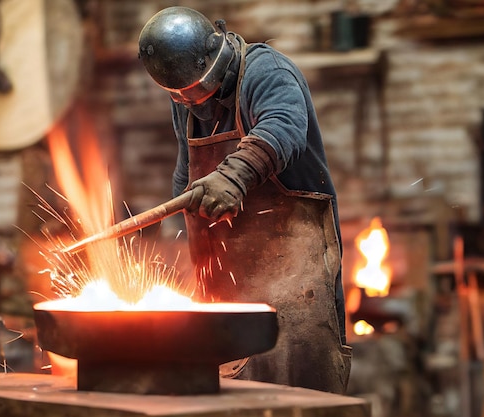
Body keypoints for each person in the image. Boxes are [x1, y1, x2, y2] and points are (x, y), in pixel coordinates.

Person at [138, 6, 351, 394]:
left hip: (294, 276)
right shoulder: (186, 98)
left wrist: (234, 177)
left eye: (195, 88)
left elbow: (283, 126)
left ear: (214, 53)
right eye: (180, 94)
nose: (190, 99)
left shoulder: (266, 72)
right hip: (228, 287)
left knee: (302, 390)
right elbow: (187, 172)